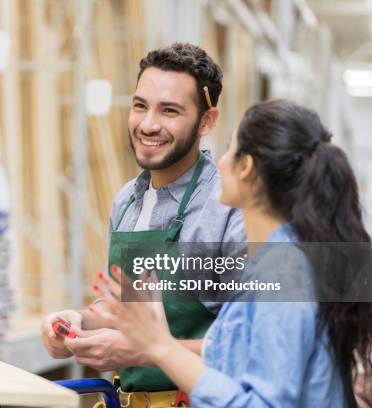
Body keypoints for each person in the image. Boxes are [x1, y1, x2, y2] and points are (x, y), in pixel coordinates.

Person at [93, 99, 372, 407]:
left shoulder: (284, 274)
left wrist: (161, 347)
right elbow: (228, 350)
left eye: (229, 149)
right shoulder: (273, 264)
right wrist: (153, 338)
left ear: (247, 167)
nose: (220, 162)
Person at [41, 43, 246, 404]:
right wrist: (77, 322)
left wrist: (146, 351)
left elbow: (249, 347)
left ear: (206, 122)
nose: (148, 124)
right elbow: (134, 310)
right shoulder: (127, 201)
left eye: (169, 111)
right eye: (140, 106)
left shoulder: (228, 207)